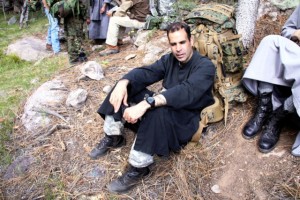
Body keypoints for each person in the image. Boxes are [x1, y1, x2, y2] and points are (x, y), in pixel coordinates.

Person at [89, 22, 215, 193]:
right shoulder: (170, 59)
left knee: (157, 109)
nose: (178, 49)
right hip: (165, 111)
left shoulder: (205, 66)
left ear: (191, 41)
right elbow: (147, 72)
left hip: (184, 121)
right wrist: (123, 82)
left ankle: (139, 167)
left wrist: (147, 103)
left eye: (182, 42)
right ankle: (113, 136)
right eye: (173, 44)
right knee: (125, 87)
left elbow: (186, 92)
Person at [242, 5, 300, 156]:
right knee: (270, 41)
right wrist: (296, 34)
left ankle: (279, 116)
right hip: (295, 52)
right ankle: (264, 107)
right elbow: (286, 30)